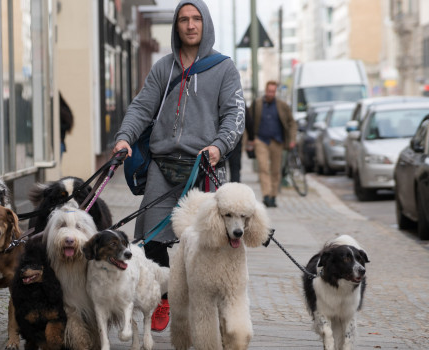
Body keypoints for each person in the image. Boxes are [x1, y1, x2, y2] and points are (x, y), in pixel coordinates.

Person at [112, 0, 244, 332]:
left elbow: (234, 116)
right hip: (163, 165)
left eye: (196, 18)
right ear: (176, 25)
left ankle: (205, 301)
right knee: (154, 237)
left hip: (204, 166)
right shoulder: (162, 67)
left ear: (205, 24)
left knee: (205, 240)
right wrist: (125, 137)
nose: (189, 25)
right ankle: (164, 299)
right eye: (183, 19)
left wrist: (219, 145)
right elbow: (142, 106)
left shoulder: (224, 68)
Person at [246, 80, 296, 208]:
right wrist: (250, 140)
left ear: (276, 92)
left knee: (275, 170)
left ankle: (273, 196)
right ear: (265, 90)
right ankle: (266, 195)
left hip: (277, 141)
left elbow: (291, 123)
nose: (270, 94)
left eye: (273, 91)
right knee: (263, 168)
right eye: (269, 91)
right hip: (261, 140)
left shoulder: (282, 105)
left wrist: (292, 139)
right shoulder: (257, 104)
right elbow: (248, 122)